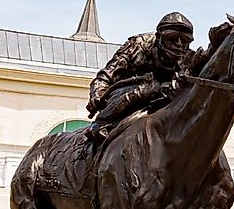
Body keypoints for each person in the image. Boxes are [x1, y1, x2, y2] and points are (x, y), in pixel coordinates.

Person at [83, 12, 201, 142]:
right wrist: (97, 95)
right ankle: (101, 123)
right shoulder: (138, 45)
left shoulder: (189, 57)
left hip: (165, 97)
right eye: (172, 38)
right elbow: (107, 76)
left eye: (185, 40)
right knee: (149, 86)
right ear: (159, 37)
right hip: (129, 94)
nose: (179, 44)